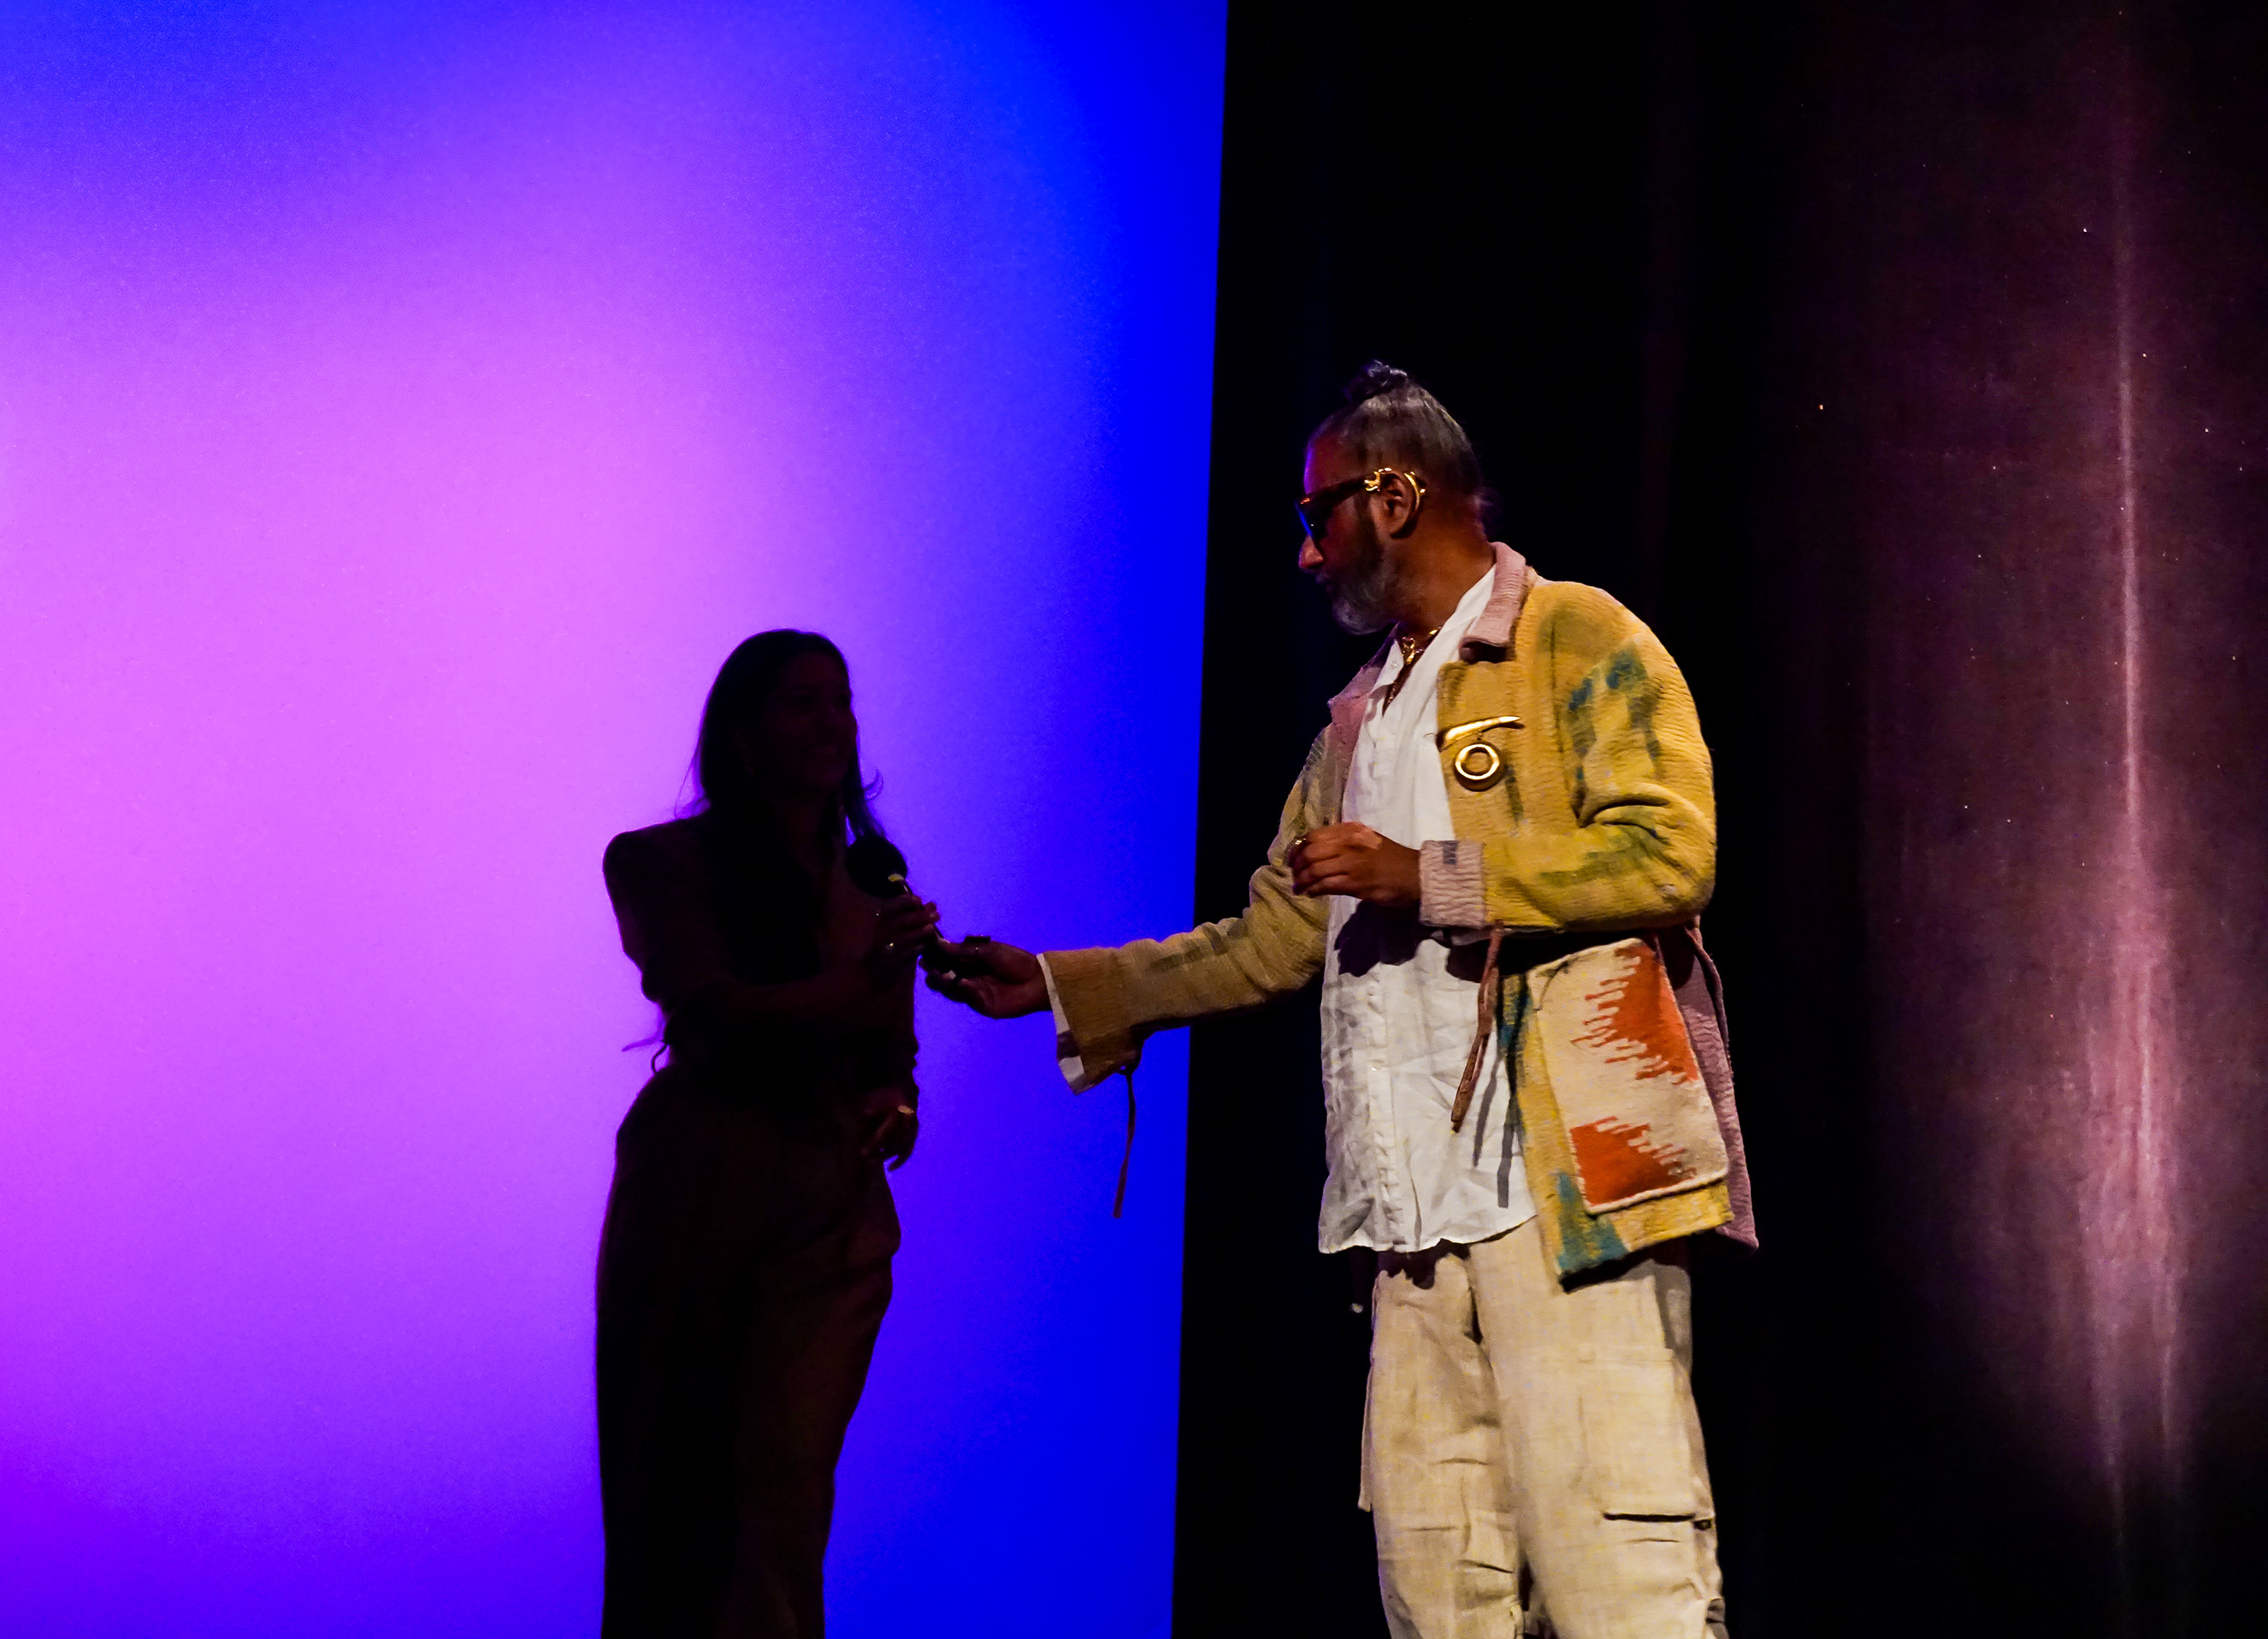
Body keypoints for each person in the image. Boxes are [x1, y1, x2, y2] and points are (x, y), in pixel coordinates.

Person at [933, 364, 1755, 1639]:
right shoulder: (1358, 722)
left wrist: (1429, 877)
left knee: (1619, 1577)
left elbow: (1669, 855)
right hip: (1411, 1215)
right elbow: (1272, 939)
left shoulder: (1577, 638)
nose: (1306, 552)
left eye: (1318, 516)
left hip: (1565, 1193)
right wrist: (1060, 980)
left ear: (1392, 496)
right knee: (1442, 1592)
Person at [598, 629, 938, 1639]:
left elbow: (889, 1048)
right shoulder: (658, 862)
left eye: (841, 699)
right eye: (801, 701)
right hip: (698, 1191)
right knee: (672, 1490)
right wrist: (869, 976)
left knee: (785, 1493)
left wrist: (896, 1095)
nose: (833, 721)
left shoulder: (868, 875)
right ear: (742, 735)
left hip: (828, 1209)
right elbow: (712, 1014)